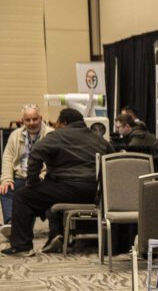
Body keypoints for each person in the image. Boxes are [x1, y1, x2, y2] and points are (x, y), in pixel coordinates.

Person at [2, 108, 112, 257]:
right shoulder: (99, 139)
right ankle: (55, 235)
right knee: (48, 193)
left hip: (65, 188)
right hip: (94, 193)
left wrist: (33, 181)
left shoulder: (58, 135)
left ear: (64, 122)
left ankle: (22, 246)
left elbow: (35, 152)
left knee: (23, 196)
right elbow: (112, 161)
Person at [1, 104, 53, 237]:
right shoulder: (15, 135)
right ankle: (10, 223)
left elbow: (53, 162)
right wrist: (6, 179)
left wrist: (41, 176)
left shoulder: (50, 135)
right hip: (21, 176)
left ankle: (22, 227)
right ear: (22, 120)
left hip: (41, 179)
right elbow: (7, 158)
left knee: (27, 194)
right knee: (6, 188)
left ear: (40, 118)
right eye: (28, 120)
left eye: (35, 119)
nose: (31, 123)